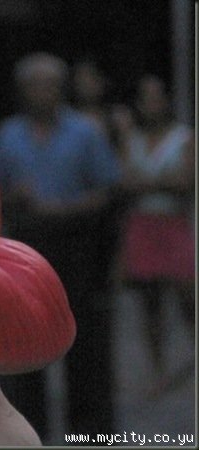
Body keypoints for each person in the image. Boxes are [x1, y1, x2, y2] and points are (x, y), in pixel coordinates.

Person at [0, 52, 121, 440]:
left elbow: (109, 190)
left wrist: (67, 208)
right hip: (28, 243)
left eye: (48, 85)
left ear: (60, 89)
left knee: (85, 336)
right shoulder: (8, 134)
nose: (41, 93)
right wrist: (15, 198)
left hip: (78, 242)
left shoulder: (84, 131)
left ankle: (91, 430)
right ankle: (30, 429)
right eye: (33, 86)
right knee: (27, 336)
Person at [116, 75, 195, 394]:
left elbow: (185, 182)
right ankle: (158, 370)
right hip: (143, 225)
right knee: (150, 303)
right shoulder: (132, 139)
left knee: (187, 296)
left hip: (172, 223)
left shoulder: (182, 138)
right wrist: (162, 182)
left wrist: (145, 183)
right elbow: (124, 183)